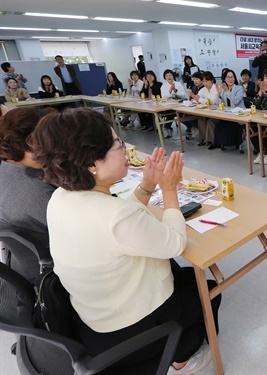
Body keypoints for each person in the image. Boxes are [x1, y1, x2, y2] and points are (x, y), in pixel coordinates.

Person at [30, 108, 221, 374]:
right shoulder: (117, 216)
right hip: (130, 326)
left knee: (186, 277)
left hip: (93, 313)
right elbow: (175, 242)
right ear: (91, 164)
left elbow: (118, 225)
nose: (124, 148)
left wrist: (147, 185)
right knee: (209, 290)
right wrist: (169, 191)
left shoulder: (61, 197)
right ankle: (181, 357)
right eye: (118, 144)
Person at [0, 107, 56, 283]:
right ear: (33, 145)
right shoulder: (41, 193)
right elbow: (90, 233)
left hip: (20, 265)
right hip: (52, 272)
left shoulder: (6, 169)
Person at [213, 69, 245, 151]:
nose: (230, 79)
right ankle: (222, 143)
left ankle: (234, 142)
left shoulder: (239, 88)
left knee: (230, 127)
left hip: (238, 116)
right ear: (224, 79)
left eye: (232, 77)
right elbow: (219, 104)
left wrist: (227, 91)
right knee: (220, 125)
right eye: (228, 77)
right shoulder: (223, 90)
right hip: (227, 115)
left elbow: (236, 101)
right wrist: (219, 95)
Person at [196, 71, 221, 148]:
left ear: (212, 80)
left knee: (210, 121)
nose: (205, 83)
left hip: (218, 112)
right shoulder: (204, 89)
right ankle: (204, 139)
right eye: (203, 82)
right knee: (201, 119)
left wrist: (200, 100)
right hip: (208, 111)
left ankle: (213, 141)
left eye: (207, 81)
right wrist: (197, 99)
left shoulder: (216, 87)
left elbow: (211, 101)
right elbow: (196, 97)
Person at [160, 69, 187, 139]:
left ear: (173, 76)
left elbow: (183, 95)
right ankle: (166, 128)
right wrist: (170, 90)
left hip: (179, 105)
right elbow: (164, 97)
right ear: (165, 78)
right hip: (168, 105)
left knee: (181, 114)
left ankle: (190, 128)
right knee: (171, 112)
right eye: (167, 76)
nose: (169, 77)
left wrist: (175, 90)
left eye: (170, 75)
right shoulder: (163, 86)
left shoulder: (178, 84)